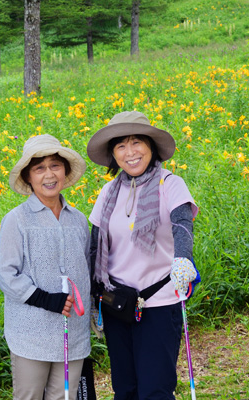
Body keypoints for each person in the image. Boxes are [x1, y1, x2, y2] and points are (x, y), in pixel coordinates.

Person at [86, 111, 199, 400]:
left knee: (155, 391)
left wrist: (183, 258)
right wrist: (92, 295)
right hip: (117, 305)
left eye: (136, 142)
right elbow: (95, 245)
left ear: (151, 145)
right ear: (113, 154)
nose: (130, 152)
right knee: (125, 390)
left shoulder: (169, 184)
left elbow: (181, 224)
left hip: (159, 303)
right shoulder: (108, 192)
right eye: (121, 145)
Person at [0, 134, 91, 400]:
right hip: (30, 335)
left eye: (55, 166)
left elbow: (85, 270)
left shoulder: (79, 220)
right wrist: (45, 299)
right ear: (28, 177)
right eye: (39, 168)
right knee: (29, 396)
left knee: (64, 397)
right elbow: (6, 274)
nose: (48, 174)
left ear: (65, 171)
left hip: (73, 333)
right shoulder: (16, 220)